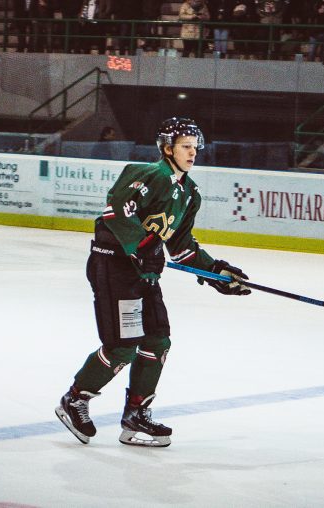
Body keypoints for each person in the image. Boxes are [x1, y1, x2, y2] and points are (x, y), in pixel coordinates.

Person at [55, 117, 251, 448]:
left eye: (194, 147)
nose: (192, 153)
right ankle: (74, 400)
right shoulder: (146, 174)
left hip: (143, 273)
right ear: (167, 148)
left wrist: (215, 272)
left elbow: (182, 247)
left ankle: (136, 414)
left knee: (157, 341)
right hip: (113, 266)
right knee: (123, 347)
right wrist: (144, 248)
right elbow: (116, 212)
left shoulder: (190, 193)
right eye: (185, 146)